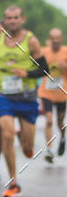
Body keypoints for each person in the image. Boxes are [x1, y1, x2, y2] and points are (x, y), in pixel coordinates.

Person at [0, 6, 47, 197]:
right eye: (9, 18)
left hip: (26, 98)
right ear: (5, 21)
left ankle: (25, 142)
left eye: (16, 18)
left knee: (27, 148)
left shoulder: (31, 41)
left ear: (22, 19)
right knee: (7, 134)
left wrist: (26, 73)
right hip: (3, 96)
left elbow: (44, 69)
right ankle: (13, 181)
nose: (13, 21)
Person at [38, 28, 67, 162]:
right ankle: (49, 150)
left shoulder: (65, 51)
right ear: (50, 39)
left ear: (61, 39)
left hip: (62, 93)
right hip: (46, 92)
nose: (55, 41)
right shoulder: (43, 52)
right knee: (49, 120)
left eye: (58, 38)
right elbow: (36, 67)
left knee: (60, 121)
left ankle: (62, 138)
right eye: (53, 38)